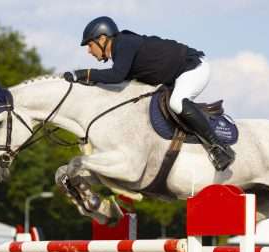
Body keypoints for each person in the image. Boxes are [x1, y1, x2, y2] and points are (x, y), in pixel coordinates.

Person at [64, 16, 234, 171]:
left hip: (194, 67)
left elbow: (116, 76)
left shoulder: (124, 43)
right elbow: (122, 83)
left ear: (102, 38)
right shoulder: (120, 50)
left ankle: (218, 147)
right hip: (176, 76)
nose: (89, 51)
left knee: (177, 102)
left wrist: (84, 74)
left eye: (89, 45)